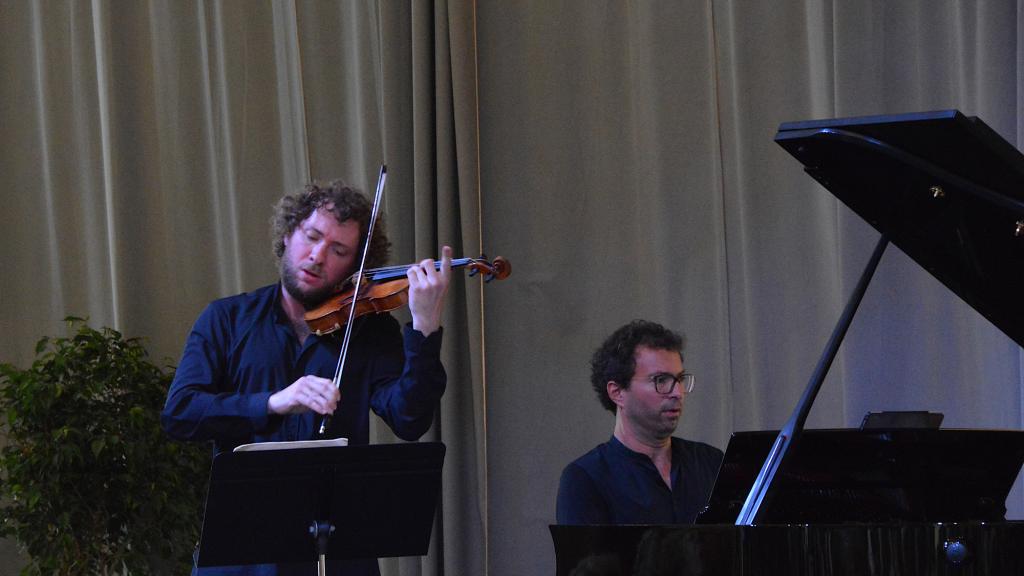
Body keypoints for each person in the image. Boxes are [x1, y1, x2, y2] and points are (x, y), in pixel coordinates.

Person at [161, 180, 451, 576]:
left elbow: (409, 419)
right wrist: (272, 402)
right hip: (244, 555)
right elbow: (179, 413)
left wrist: (425, 327)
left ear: (356, 267)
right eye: (312, 236)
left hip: (336, 555)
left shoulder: (370, 330)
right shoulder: (226, 319)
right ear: (287, 234)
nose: (317, 256)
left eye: (339, 251)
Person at [556, 320, 723, 525]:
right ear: (617, 392)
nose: (678, 392)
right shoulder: (586, 479)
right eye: (661, 380)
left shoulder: (711, 462)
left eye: (679, 379)